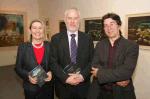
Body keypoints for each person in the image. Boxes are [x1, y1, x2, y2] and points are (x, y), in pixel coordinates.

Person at [88, 13, 139, 99]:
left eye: (112, 24)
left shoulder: (131, 46)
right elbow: (94, 66)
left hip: (122, 93)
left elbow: (126, 72)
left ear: (119, 25)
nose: (109, 28)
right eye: (105, 25)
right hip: (99, 92)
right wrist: (117, 78)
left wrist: (100, 73)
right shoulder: (99, 45)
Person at [51, 8, 94, 99]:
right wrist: (66, 78)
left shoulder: (87, 38)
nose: (72, 21)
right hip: (63, 86)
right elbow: (53, 62)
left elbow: (92, 61)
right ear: (65, 20)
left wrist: (82, 76)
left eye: (75, 18)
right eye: (69, 18)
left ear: (79, 20)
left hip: (83, 86)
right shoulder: (56, 39)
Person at [15, 19, 54, 99]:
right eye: (34, 28)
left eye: (40, 28)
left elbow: (55, 64)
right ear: (30, 30)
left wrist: (52, 72)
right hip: (30, 88)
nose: (37, 31)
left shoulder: (50, 45)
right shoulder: (23, 47)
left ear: (43, 30)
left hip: (47, 86)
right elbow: (18, 68)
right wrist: (28, 76)